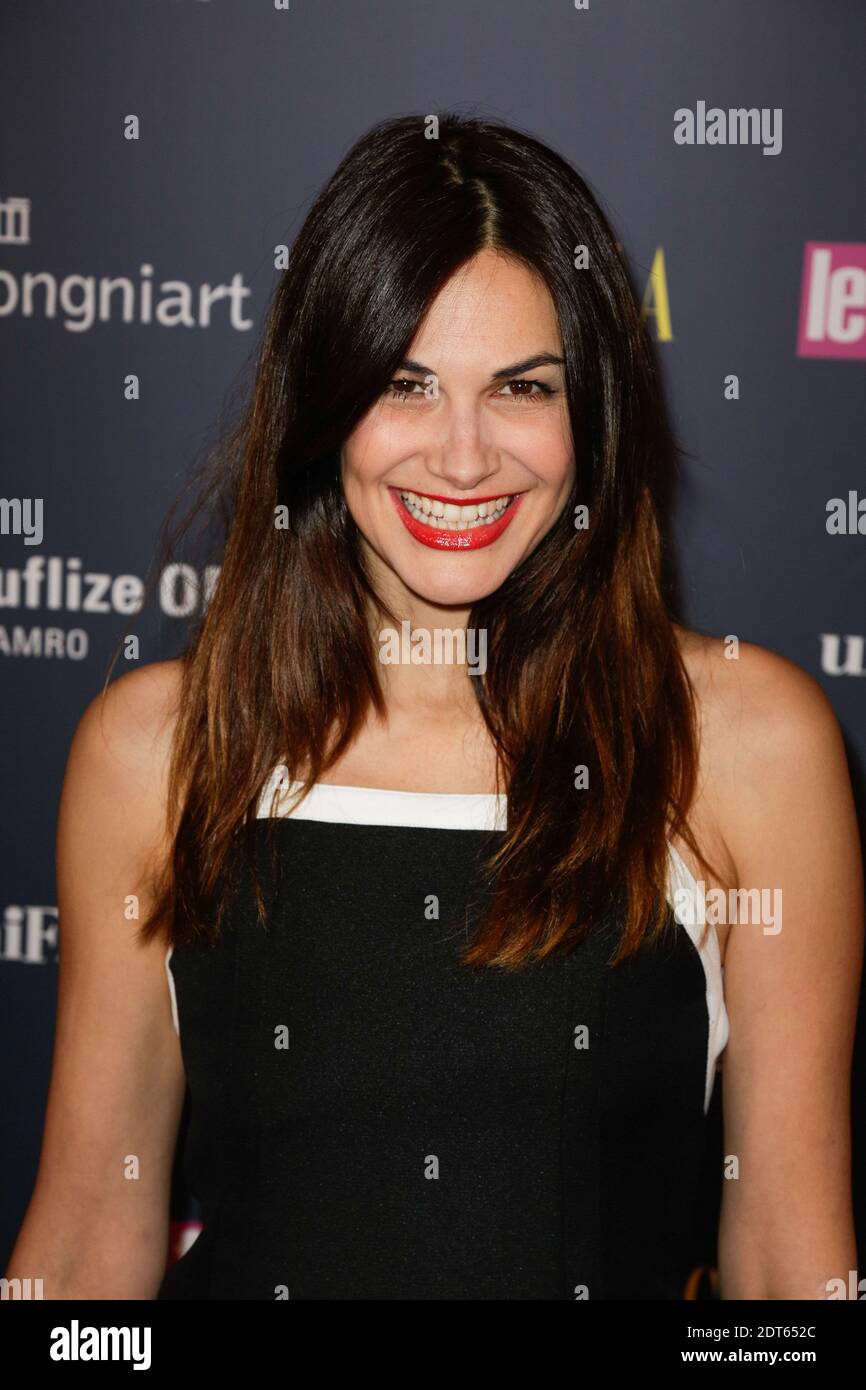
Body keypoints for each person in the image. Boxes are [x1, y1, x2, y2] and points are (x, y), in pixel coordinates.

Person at [6, 113, 862, 1300]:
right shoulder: (158, 749)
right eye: (404, 384)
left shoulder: (741, 744)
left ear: (594, 416)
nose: (462, 459)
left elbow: (783, 1277)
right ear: (320, 402)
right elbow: (87, 1248)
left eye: (521, 388)